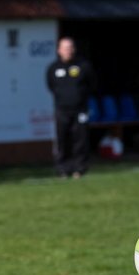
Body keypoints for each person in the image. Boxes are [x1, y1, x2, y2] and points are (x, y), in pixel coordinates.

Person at [45, 37, 96, 178]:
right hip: (62, 110)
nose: (68, 51)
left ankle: (79, 169)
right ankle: (63, 169)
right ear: (59, 50)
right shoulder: (53, 68)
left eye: (70, 48)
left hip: (80, 110)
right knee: (62, 140)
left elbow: (92, 84)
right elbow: (50, 86)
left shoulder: (83, 66)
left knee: (80, 139)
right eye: (65, 48)